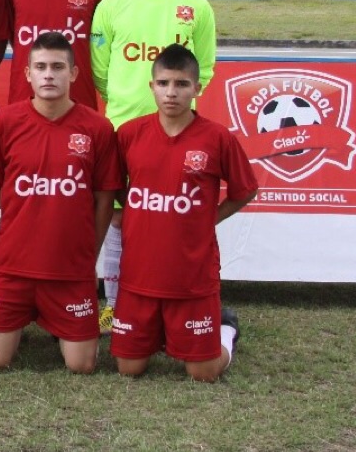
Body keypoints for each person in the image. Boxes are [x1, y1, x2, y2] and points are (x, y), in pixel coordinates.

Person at [90, 0, 217, 332]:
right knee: (116, 217)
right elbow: (101, 68)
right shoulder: (111, 4)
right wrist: (127, 104)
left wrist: (174, 111)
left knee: (167, 217)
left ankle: (171, 303)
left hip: (178, 133)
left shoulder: (196, 6)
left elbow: (206, 67)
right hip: (123, 129)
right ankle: (113, 307)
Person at [0, 32, 120, 373]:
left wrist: (90, 252)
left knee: (81, 366)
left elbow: (104, 198)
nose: (49, 74)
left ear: (73, 74)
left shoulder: (97, 128)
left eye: (57, 67)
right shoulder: (3, 122)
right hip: (13, 268)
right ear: (27, 74)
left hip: (69, 271)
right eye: (40, 67)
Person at [110, 44, 256, 382]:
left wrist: (210, 217)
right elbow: (113, 182)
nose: (171, 93)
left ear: (197, 88)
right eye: (163, 84)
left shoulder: (217, 138)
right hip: (139, 276)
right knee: (128, 369)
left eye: (181, 84)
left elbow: (245, 189)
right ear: (151, 87)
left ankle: (225, 329)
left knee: (203, 373)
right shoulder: (131, 134)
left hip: (192, 277)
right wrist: (129, 207)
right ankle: (159, 335)